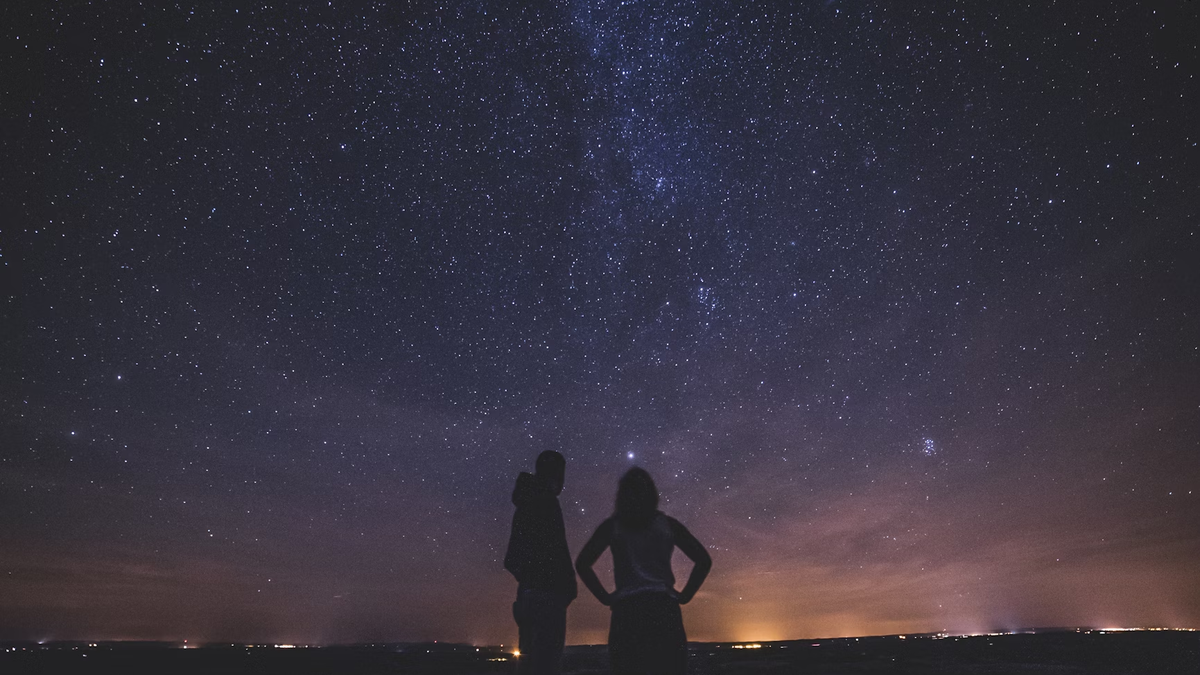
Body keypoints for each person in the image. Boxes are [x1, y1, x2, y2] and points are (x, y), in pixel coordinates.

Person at [575, 467, 712, 675]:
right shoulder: (667, 525)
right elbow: (703, 560)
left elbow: (583, 563)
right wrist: (684, 595)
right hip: (663, 610)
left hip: (628, 612)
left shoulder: (613, 526)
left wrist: (605, 598)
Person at [504, 450, 577, 675]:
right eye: (560, 475)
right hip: (547, 597)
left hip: (531, 595)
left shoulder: (527, 503)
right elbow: (551, 552)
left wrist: (529, 582)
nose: (562, 482)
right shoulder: (545, 503)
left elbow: (512, 558)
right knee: (546, 664)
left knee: (531, 664)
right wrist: (557, 586)